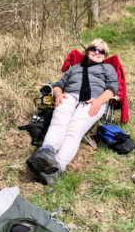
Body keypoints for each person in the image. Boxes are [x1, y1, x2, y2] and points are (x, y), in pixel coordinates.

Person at [26, 39, 119, 186]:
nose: (97, 52)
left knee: (74, 129)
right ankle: (46, 152)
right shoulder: (75, 67)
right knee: (59, 120)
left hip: (93, 100)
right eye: (94, 48)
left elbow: (113, 87)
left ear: (105, 56)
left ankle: (56, 167)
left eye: (101, 51)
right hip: (69, 96)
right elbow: (58, 84)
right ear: (87, 51)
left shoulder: (107, 68)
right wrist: (57, 94)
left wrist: (99, 101)